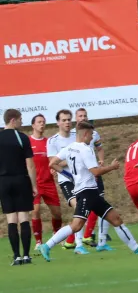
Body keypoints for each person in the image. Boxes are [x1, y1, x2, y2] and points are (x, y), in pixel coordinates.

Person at [39, 121, 138, 261]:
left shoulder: (69, 148)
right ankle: (47, 245)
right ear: (86, 134)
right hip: (86, 192)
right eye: (91, 135)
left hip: (90, 192)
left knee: (116, 218)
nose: (92, 138)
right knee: (76, 225)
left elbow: (52, 163)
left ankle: (137, 248)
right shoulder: (85, 149)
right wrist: (112, 167)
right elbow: (95, 171)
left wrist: (70, 176)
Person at [0, 109, 37, 265]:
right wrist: (34, 185)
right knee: (23, 218)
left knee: (11, 220)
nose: (22, 122)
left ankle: (16, 257)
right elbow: (30, 165)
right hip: (21, 180)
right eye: (20, 119)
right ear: (13, 120)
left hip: (3, 182)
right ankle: (27, 255)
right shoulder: (22, 138)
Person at [47, 109, 87, 252]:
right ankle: (79, 245)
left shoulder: (77, 136)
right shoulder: (52, 141)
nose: (67, 122)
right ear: (58, 122)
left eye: (69, 119)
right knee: (79, 206)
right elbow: (53, 162)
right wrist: (69, 162)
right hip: (66, 179)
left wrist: (64, 160)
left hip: (81, 179)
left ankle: (95, 241)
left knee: (90, 208)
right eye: (64, 120)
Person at [72, 108, 107, 246]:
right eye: (80, 116)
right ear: (76, 118)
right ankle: (77, 240)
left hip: (93, 172)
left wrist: (102, 161)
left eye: (85, 115)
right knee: (81, 209)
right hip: (80, 176)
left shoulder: (94, 134)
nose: (83, 117)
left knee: (100, 201)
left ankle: (96, 238)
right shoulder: (73, 135)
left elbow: (100, 148)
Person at [29, 114, 63, 247]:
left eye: (43, 122)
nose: (42, 124)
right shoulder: (28, 142)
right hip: (34, 183)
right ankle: (38, 241)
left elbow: (54, 160)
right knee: (35, 210)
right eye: (39, 122)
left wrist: (54, 168)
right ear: (33, 125)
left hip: (48, 182)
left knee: (57, 214)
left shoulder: (49, 142)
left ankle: (57, 235)